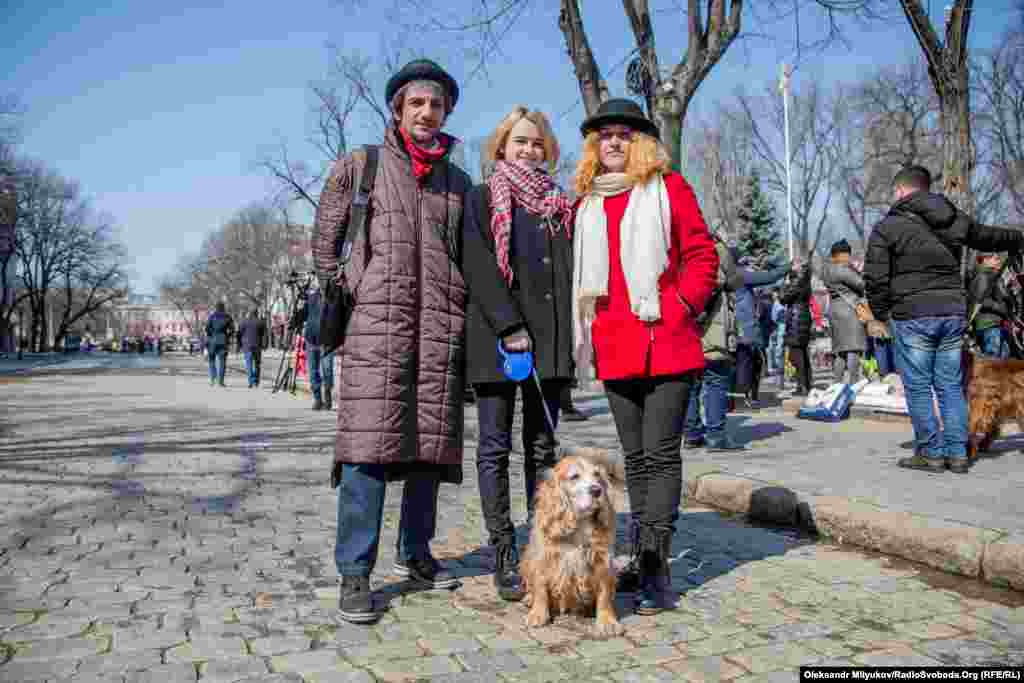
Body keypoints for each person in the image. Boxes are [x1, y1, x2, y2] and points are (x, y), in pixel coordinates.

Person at [313, 59, 472, 624]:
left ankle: (416, 551)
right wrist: (351, 282)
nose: (428, 113)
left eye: (437, 105)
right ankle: (355, 572)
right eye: (417, 105)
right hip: (375, 330)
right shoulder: (363, 165)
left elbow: (466, 255)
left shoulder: (459, 182)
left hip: (438, 331)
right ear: (399, 111)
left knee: (427, 450)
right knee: (366, 453)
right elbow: (326, 236)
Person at [572, 99, 718, 614]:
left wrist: (680, 304)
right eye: (604, 136)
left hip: (667, 342)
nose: (613, 142)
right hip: (614, 346)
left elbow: (703, 255)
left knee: (660, 455)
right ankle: (638, 550)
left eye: (623, 135)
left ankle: (656, 564)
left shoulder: (669, 190)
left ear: (642, 143)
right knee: (633, 459)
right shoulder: (586, 203)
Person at [461, 106, 575, 602]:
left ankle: (539, 542)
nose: (529, 150)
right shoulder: (483, 197)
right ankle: (503, 549)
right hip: (498, 339)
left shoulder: (558, 204)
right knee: (494, 447)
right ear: (501, 146)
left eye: (537, 143)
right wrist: (509, 325)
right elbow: (478, 262)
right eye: (520, 142)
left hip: (548, 344)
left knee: (543, 447)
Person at [864, 165, 1024, 474]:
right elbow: (985, 236)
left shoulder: (888, 227)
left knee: (919, 387)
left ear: (900, 190)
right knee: (951, 385)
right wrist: (1017, 238)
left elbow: (875, 276)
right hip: (952, 313)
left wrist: (881, 313)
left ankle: (930, 452)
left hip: (912, 315)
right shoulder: (952, 218)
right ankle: (958, 453)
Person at [684, 236, 745, 452]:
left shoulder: (674, 244)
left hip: (684, 323)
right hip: (713, 325)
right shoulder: (714, 247)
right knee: (716, 379)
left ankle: (692, 434)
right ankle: (716, 437)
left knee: (690, 382)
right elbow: (730, 280)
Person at [733, 254, 790, 405]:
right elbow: (770, 277)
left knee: (749, 361)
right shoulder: (741, 275)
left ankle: (747, 396)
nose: (751, 267)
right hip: (745, 328)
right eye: (748, 263)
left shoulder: (730, 274)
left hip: (742, 326)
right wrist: (789, 266)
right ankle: (746, 397)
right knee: (749, 362)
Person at [823, 239, 868, 384]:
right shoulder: (842, 269)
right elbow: (861, 284)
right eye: (848, 254)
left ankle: (837, 384)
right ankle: (854, 384)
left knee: (840, 352)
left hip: (834, 309)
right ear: (842, 254)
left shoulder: (827, 270)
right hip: (849, 310)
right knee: (853, 348)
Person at [967, 253, 1012, 359]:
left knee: (1002, 359)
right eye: (995, 259)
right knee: (993, 359)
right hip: (988, 324)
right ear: (985, 260)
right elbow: (981, 300)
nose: (999, 261)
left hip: (994, 323)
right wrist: (1000, 308)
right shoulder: (984, 276)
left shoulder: (990, 276)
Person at [780, 262, 813, 396]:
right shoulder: (805, 281)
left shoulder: (797, 282)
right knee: (802, 354)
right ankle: (805, 384)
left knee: (796, 355)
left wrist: (785, 282)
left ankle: (803, 386)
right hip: (802, 318)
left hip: (796, 320)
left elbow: (783, 298)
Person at [301, 280, 335, 411]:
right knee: (313, 371)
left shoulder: (332, 297)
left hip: (326, 341)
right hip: (311, 339)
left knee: (327, 370)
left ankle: (327, 394)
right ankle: (317, 399)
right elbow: (303, 312)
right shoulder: (311, 297)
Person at [205, 302, 233, 387]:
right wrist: (227, 336)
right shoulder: (227, 317)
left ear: (216, 308)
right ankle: (220, 381)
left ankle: (213, 378)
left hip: (213, 341)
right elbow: (232, 329)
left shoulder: (212, 317)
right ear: (223, 308)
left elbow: (207, 328)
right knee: (222, 361)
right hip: (223, 341)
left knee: (211, 360)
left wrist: (211, 335)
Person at [237, 309, 265, 389]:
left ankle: (250, 381)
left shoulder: (244, 322)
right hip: (257, 345)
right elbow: (263, 334)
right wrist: (263, 344)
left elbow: (239, 333)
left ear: (249, 313)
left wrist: (239, 344)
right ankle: (256, 381)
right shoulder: (260, 322)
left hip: (247, 346)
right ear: (257, 313)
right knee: (257, 364)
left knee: (249, 364)